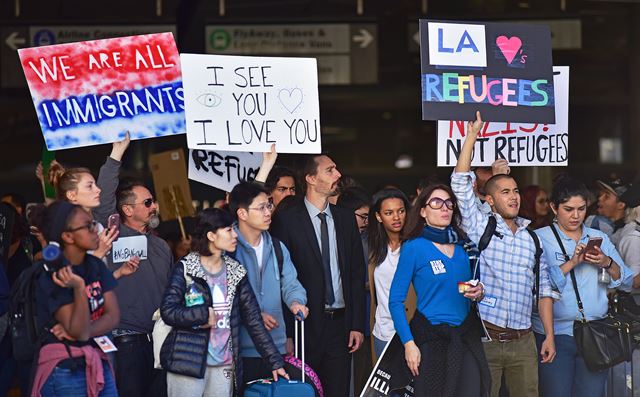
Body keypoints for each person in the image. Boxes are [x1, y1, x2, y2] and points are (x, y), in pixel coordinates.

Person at [451, 111, 556, 397]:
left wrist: (548, 335)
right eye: (505, 191)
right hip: (486, 337)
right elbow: (460, 184)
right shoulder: (481, 226)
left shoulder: (532, 239)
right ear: (490, 199)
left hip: (524, 341)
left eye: (516, 190)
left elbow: (544, 290)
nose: (514, 196)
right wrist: (472, 135)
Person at [160, 208, 287, 397]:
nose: (235, 235)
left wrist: (275, 362)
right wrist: (201, 315)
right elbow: (168, 311)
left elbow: (253, 320)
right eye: (228, 230)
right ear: (211, 235)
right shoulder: (186, 268)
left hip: (224, 363)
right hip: (188, 361)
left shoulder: (236, 271)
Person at [271, 154, 366, 397]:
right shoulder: (287, 221)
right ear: (311, 179)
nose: (338, 175)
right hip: (304, 326)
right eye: (330, 170)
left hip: (340, 326)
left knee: (338, 391)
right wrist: (288, 333)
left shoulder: (345, 218)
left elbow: (356, 274)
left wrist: (356, 324)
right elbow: (280, 277)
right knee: (305, 392)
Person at [532, 175, 632, 397]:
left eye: (581, 209)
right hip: (556, 333)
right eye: (568, 209)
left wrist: (607, 262)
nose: (576, 216)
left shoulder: (598, 237)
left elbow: (625, 279)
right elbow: (538, 286)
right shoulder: (539, 239)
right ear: (553, 207)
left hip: (595, 332)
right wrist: (572, 263)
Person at [389, 184, 491, 396]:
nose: (444, 208)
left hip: (464, 337)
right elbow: (395, 301)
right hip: (430, 338)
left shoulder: (465, 247)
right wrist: (409, 344)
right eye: (436, 203)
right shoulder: (414, 247)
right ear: (423, 211)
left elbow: (460, 287)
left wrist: (477, 291)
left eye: (448, 203)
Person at [31, 201, 120, 397]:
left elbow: (113, 316)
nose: (95, 230)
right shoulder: (52, 274)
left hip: (97, 357)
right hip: (65, 367)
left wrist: (85, 331)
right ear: (68, 236)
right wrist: (79, 287)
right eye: (88, 227)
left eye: (93, 224)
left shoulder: (96, 265)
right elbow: (78, 330)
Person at [227, 182, 308, 389]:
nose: (268, 212)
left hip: (275, 347)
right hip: (238, 349)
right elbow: (222, 297)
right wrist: (254, 315)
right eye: (261, 207)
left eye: (269, 206)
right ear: (242, 214)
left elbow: (291, 283)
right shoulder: (228, 248)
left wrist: (297, 301)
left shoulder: (277, 247)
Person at [104, 177, 173, 397]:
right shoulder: (114, 237)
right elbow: (103, 200)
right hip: (127, 340)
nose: (154, 207)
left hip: (161, 338)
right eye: (147, 202)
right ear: (127, 209)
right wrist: (116, 155)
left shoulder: (161, 245)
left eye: (153, 202)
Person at [366, 188, 415, 360]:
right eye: (389, 212)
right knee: (384, 387)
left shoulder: (416, 245)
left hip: (411, 332)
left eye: (401, 211)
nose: (396, 217)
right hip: (382, 331)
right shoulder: (372, 248)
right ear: (378, 217)